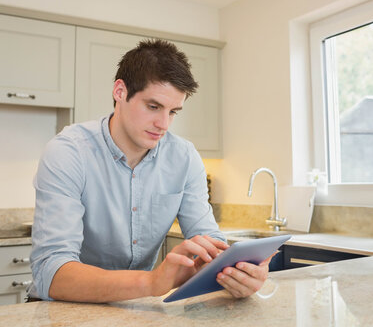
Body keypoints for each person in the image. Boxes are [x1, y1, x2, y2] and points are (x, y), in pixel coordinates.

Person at [29, 39, 271, 302]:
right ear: (120, 91)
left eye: (173, 112)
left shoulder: (184, 157)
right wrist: (152, 281)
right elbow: (50, 273)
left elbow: (209, 240)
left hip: (136, 307)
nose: (163, 124)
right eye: (153, 107)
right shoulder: (68, 152)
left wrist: (235, 270)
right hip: (64, 309)